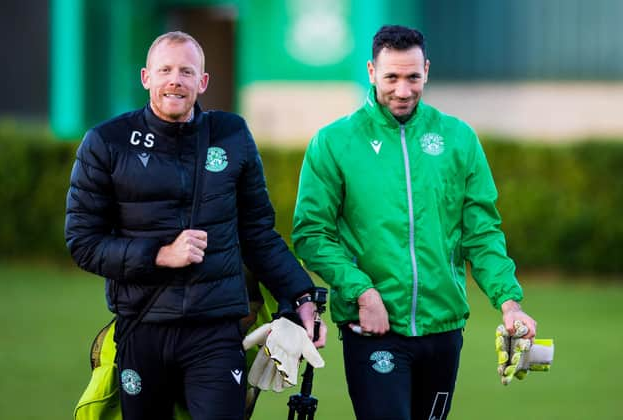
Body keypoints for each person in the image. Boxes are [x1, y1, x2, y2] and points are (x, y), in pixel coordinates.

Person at [65, 31, 326, 420]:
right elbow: (83, 242)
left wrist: (302, 298)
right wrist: (159, 255)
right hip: (142, 327)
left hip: (216, 330)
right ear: (146, 77)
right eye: (165, 70)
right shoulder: (106, 142)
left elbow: (258, 234)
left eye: (187, 71)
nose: (175, 80)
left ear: (202, 82)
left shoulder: (231, 135)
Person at [292, 25, 537, 420]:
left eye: (413, 77)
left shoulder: (458, 138)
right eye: (391, 77)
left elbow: (482, 233)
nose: (403, 90)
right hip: (373, 331)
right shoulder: (334, 142)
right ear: (372, 71)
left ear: (426, 69)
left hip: (443, 330)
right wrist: (362, 292)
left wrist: (510, 303)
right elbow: (311, 234)